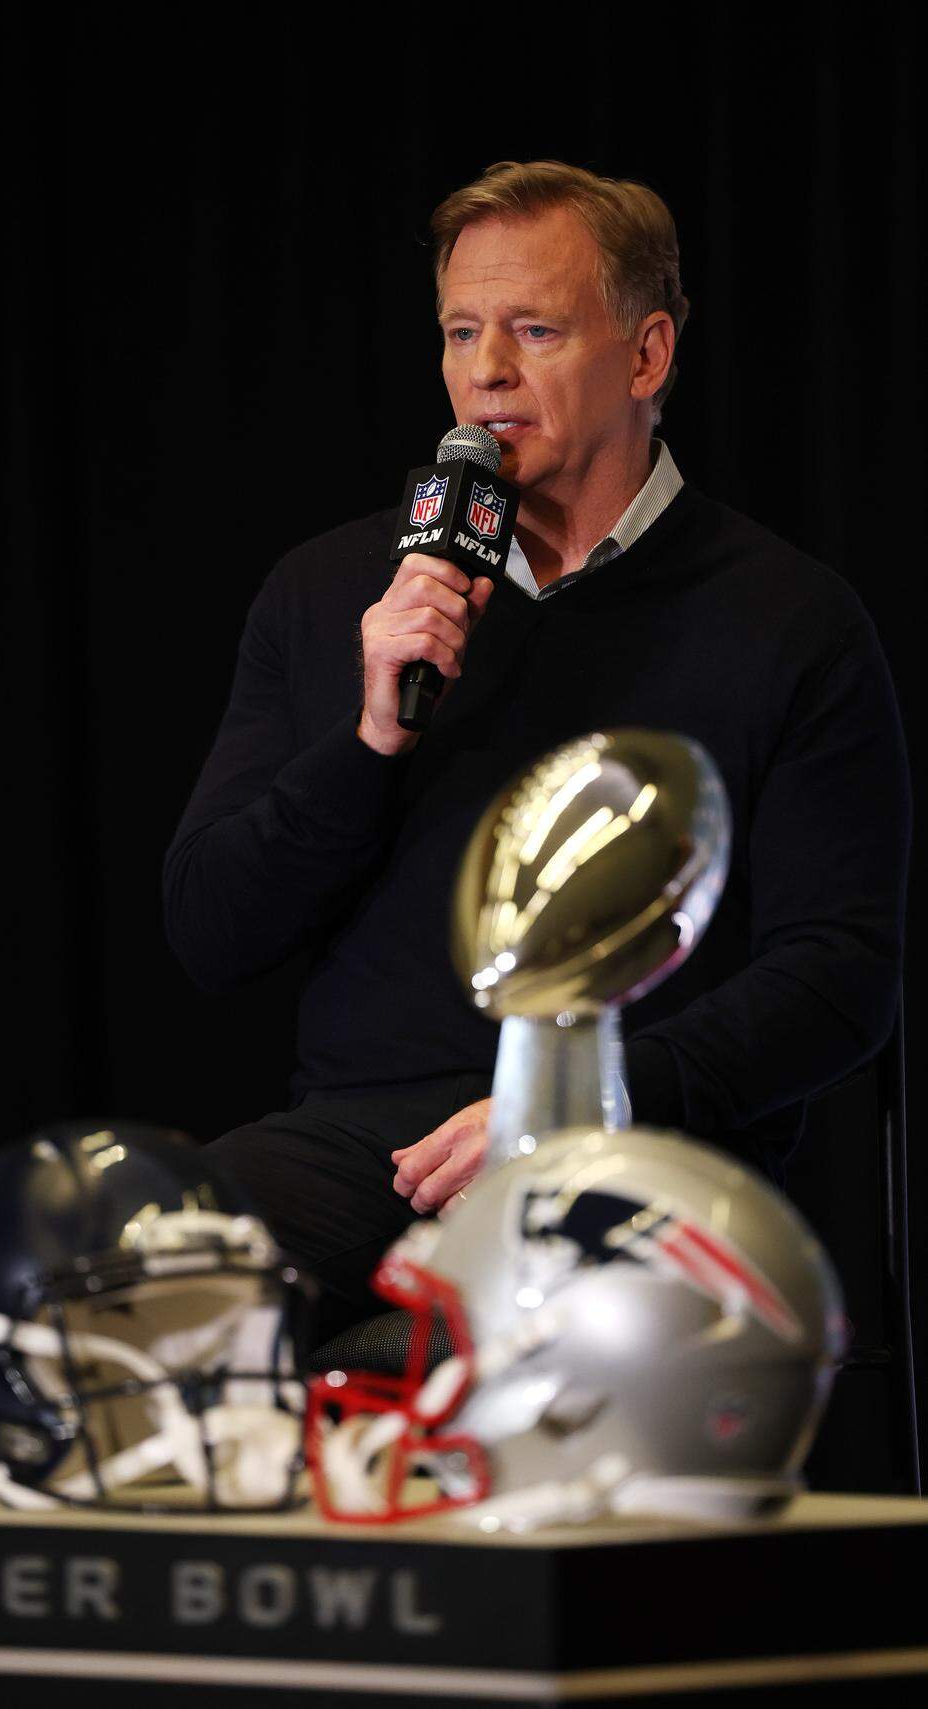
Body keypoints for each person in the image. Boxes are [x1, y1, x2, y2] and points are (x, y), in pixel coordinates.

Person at [163, 160, 910, 1343]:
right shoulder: (337, 595)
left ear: (648, 356)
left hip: (640, 1151)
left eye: (535, 329)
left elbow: (842, 975)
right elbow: (210, 928)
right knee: (140, 1275)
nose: (485, 374)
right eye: (462, 332)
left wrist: (580, 1098)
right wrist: (370, 739)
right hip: (373, 1145)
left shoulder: (788, 618)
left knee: (437, 1371)